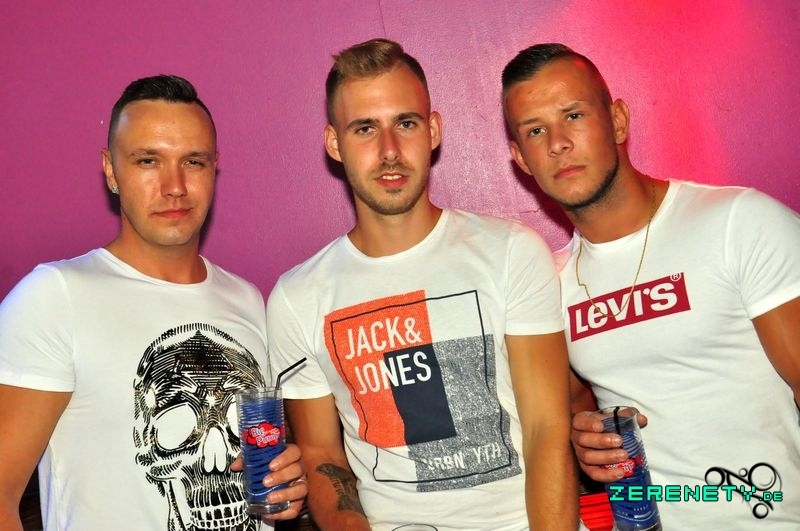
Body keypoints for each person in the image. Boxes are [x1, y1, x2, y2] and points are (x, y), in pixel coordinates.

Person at [266, 38, 577, 531]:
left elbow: (546, 430)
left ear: (432, 131)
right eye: (365, 128)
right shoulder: (297, 296)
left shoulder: (511, 251)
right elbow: (323, 455)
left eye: (405, 124)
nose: (389, 151)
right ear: (334, 143)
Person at [501, 43, 800, 528]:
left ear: (617, 121)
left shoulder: (739, 222)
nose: (557, 142)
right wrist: (585, 443)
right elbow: (569, 422)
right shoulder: (547, 284)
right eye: (535, 130)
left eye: (573, 115)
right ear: (521, 158)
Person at [0, 75, 307, 531]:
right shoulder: (54, 296)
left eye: (193, 162)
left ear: (214, 168)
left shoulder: (247, 300)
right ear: (111, 170)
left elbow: (262, 463)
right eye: (148, 160)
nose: (175, 186)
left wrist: (286, 481)